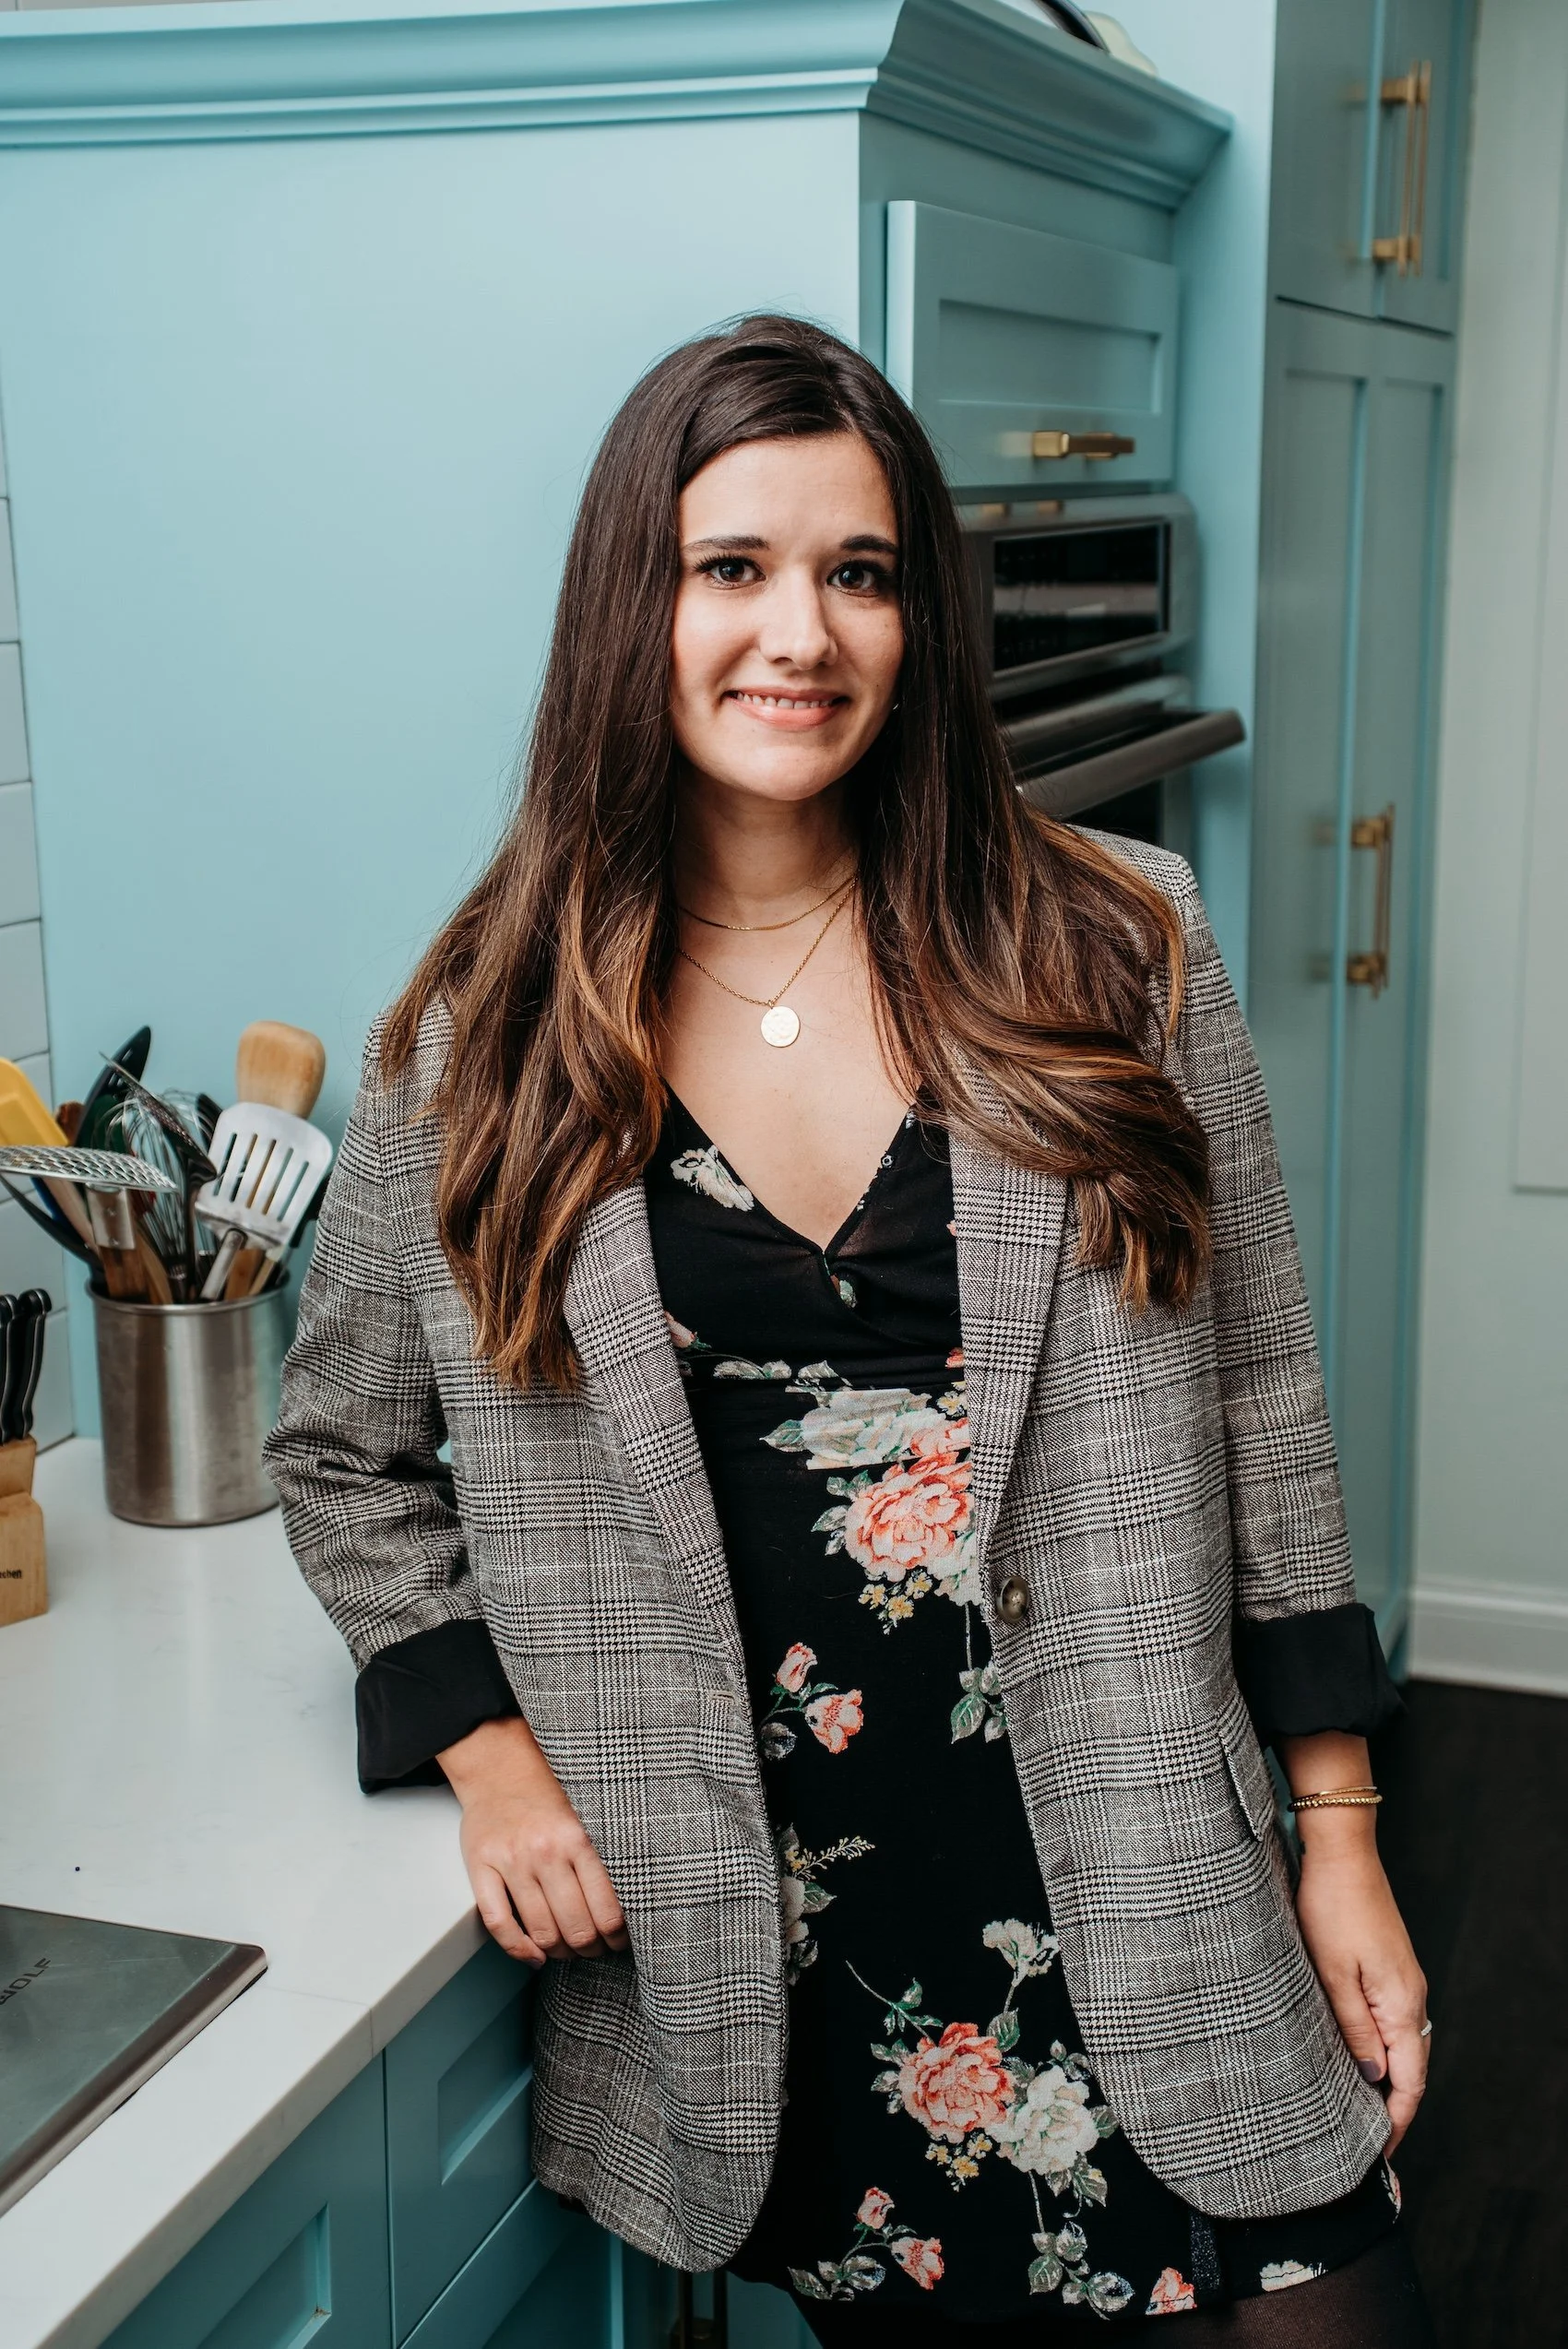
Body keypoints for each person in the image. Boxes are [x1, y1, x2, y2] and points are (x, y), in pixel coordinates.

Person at [266, 316, 1435, 2343]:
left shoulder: (1117, 942)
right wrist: (493, 1760)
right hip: (797, 1968)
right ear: (634, 604)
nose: (796, 631)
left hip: (1152, 1861)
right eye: (731, 568)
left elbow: (1263, 1401)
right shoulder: (489, 1029)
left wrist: (1338, 1837)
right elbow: (340, 1451)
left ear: (919, 620)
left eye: (859, 572)